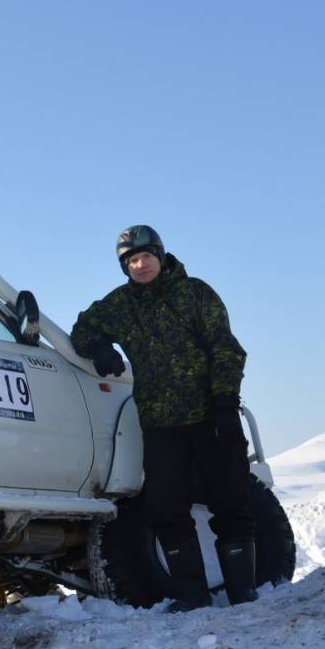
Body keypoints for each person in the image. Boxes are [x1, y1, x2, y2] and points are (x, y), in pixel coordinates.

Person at [70, 225, 258, 611]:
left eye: (146, 257)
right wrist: (101, 348)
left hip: (211, 416)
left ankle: (243, 593)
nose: (140, 265)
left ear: (160, 255)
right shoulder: (121, 304)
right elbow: (83, 329)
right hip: (161, 426)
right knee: (165, 509)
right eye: (131, 261)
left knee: (231, 500)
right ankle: (192, 596)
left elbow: (226, 348)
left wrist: (226, 401)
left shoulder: (194, 293)